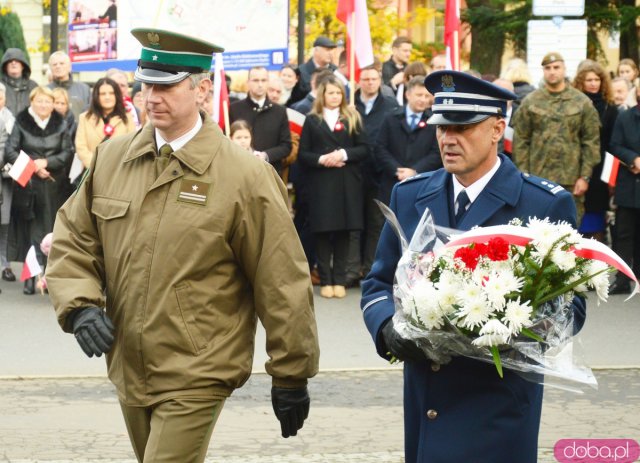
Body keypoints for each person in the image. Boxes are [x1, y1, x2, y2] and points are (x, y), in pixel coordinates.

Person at [45, 28, 319, 462]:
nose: (151, 96)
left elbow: (281, 278)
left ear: (202, 88)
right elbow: (73, 238)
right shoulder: (113, 157)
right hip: (128, 365)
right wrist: (79, 305)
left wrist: (291, 374)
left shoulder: (243, 175)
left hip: (199, 369)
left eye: (166, 85)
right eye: (145, 84)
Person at [361, 70, 587, 463]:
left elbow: (571, 308)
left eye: (463, 127)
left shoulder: (542, 204)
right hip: (426, 395)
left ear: (498, 128)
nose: (448, 138)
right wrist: (387, 329)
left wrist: (501, 323)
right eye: (441, 127)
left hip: (497, 403)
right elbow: (378, 283)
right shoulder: (411, 195)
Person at [298, 74, 369, 299]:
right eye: (331, 93)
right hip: (321, 185)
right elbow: (303, 154)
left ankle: (339, 280)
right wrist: (322, 159)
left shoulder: (353, 117)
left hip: (346, 184)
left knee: (343, 234)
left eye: (339, 93)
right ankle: (326, 280)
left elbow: (365, 149)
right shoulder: (312, 120)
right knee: (322, 233)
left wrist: (343, 153)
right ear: (322, 95)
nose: (335, 97)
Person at [512, 52, 601, 222]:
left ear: (564, 69)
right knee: (536, 230)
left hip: (571, 180)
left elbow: (591, 141)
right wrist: (523, 176)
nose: (552, 71)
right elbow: (521, 141)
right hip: (538, 179)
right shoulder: (530, 101)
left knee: (569, 231)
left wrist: (585, 176)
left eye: (556, 67)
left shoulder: (581, 102)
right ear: (543, 71)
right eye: (548, 68)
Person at [5, 86, 73, 295]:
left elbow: (67, 152)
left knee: (53, 231)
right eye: (39, 101)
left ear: (53, 104)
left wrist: (47, 162)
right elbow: (10, 150)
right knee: (31, 232)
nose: (43, 105)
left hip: (55, 185)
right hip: (29, 185)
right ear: (32, 102)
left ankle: (49, 275)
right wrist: (34, 165)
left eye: (47, 101)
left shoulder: (60, 123)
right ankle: (29, 276)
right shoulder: (21, 121)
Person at [350, 65, 400, 284]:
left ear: (380, 81)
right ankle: (351, 269)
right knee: (353, 220)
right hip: (353, 170)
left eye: (374, 79)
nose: (370, 83)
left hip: (380, 171)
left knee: (375, 221)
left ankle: (370, 268)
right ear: (359, 81)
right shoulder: (350, 104)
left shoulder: (389, 105)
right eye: (366, 79)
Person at [572, 60, 619, 242]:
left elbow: (612, 145)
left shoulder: (610, 109)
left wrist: (610, 179)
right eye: (588, 80)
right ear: (581, 82)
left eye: (597, 79)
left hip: (601, 171)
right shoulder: (575, 106)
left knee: (596, 220)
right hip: (576, 166)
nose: (593, 83)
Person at [376, 75, 441, 205]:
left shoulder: (435, 122)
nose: (423, 99)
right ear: (408, 95)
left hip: (422, 182)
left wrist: (415, 171)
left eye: (426, 96)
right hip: (392, 182)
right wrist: (396, 169)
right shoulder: (391, 118)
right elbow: (380, 147)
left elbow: (436, 152)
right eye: (419, 95)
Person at [229, 66, 292, 176]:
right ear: (248, 83)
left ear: (268, 82)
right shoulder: (234, 109)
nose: (260, 84)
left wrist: (266, 155)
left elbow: (286, 146)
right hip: (240, 173)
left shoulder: (279, 111)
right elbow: (226, 140)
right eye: (255, 80)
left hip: (270, 173)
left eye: (263, 80)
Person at [608, 84, 640, 294]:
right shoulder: (626, 117)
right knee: (624, 233)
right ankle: (622, 278)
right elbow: (614, 144)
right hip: (629, 183)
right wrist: (633, 159)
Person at [75, 77, 137, 169]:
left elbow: (133, 146)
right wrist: (97, 166)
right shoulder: (85, 118)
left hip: (119, 171)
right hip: (93, 172)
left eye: (111, 93)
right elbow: (81, 148)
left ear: (116, 95)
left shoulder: (127, 117)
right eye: (103, 94)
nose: (107, 97)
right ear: (96, 96)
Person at [0, 82, 16, 283]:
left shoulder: (12, 118)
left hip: (6, 178)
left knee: (5, 224)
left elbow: (15, 146)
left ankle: (5, 265)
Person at [48, 51, 91, 119]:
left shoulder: (84, 89)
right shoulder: (46, 91)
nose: (58, 66)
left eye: (62, 63)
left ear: (70, 67)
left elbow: (90, 115)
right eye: (54, 64)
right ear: (51, 68)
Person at [1, 48, 39, 116]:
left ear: (23, 65)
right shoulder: (0, 86)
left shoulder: (33, 86)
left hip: (28, 125)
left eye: (17, 61)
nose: (13, 63)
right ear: (5, 66)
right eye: (10, 61)